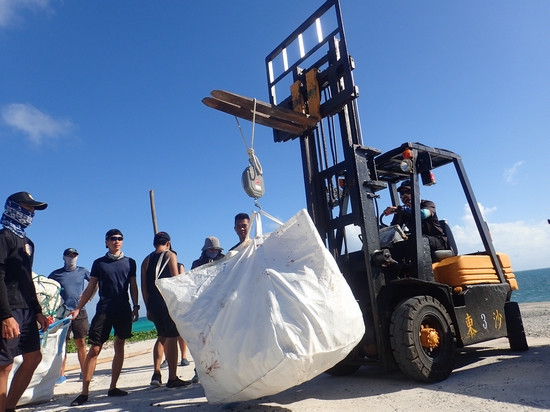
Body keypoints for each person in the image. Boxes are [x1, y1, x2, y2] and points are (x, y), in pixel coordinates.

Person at [69, 229, 139, 407]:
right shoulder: (99, 263)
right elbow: (91, 287)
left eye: (120, 238)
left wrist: (136, 306)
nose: (117, 241)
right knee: (94, 349)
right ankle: (84, 392)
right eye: (113, 239)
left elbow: (133, 286)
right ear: (106, 242)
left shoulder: (130, 262)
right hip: (104, 310)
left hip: (123, 308)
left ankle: (113, 387)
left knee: (120, 345)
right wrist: (78, 308)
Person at [0, 191, 49, 412]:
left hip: (27, 309)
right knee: (4, 366)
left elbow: (27, 279)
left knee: (33, 357)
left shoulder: (28, 243)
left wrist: (37, 311)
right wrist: (5, 315)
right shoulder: (3, 238)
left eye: (33, 210)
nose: (31, 213)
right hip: (8, 309)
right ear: (13, 207)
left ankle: (9, 407)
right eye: (27, 208)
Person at [141, 232, 190, 389]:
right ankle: (172, 378)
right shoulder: (170, 255)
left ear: (154, 243)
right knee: (172, 338)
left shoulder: (146, 260)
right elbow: (175, 281)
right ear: (168, 243)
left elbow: (144, 286)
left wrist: (148, 306)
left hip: (153, 305)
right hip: (167, 303)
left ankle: (156, 373)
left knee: (160, 337)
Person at [48, 248, 91, 385]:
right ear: (64, 257)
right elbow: (47, 288)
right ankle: (60, 374)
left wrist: (88, 296)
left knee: (81, 342)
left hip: (80, 311)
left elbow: (95, 282)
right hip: (62, 314)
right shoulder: (56, 274)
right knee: (62, 345)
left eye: (74, 255)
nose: (71, 258)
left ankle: (84, 372)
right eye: (69, 255)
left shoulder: (82, 271)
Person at [189, 236, 226, 384]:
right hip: (204, 307)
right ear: (205, 251)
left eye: (216, 250)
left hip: (221, 305)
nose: (213, 252)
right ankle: (198, 371)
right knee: (202, 342)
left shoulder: (224, 261)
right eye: (210, 249)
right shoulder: (197, 264)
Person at [383, 180, 447, 252]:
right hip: (420, 240)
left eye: (408, 192)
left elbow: (422, 214)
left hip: (438, 240)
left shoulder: (427, 204)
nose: (404, 195)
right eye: (402, 193)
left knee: (416, 242)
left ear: (417, 193)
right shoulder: (402, 211)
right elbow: (393, 230)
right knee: (393, 247)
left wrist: (398, 209)